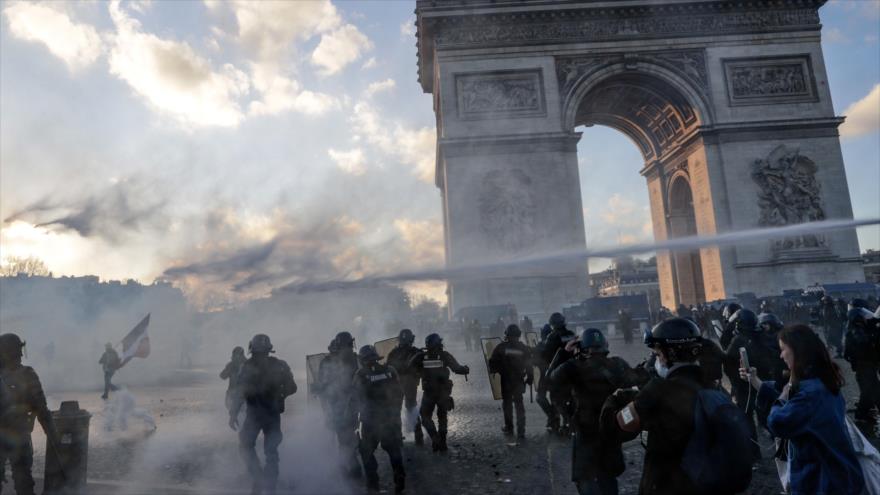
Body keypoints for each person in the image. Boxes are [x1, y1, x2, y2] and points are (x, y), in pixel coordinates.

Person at [609, 318, 750, 495]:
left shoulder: (658, 389)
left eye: (659, 355)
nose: (657, 360)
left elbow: (624, 423)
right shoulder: (714, 389)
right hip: (705, 484)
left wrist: (620, 400)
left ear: (670, 355)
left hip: (668, 485)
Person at [741, 325, 865, 495]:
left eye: (783, 349)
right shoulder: (821, 381)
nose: (781, 355)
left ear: (798, 351)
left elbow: (778, 422)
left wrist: (784, 393)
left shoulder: (809, 394)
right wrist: (756, 382)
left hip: (823, 482)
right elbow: (796, 407)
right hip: (839, 475)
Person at [550, 328, 634, 495]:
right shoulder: (617, 364)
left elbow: (550, 379)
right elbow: (635, 382)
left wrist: (564, 353)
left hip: (585, 429)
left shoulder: (572, 366)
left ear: (581, 347)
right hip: (611, 428)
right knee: (608, 476)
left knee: (585, 477)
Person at [228, 334, 296, 495]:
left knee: (247, 446)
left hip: (256, 415)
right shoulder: (279, 365)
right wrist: (281, 395)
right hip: (270, 415)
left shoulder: (248, 366)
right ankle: (268, 485)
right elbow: (292, 387)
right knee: (271, 452)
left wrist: (233, 414)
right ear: (269, 349)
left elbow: (239, 392)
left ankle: (259, 478)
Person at [0, 333, 59, 495]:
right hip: (19, 434)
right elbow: (41, 408)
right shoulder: (27, 374)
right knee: (23, 481)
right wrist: (53, 435)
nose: (20, 354)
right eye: (18, 350)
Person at [723, 308, 778, 461]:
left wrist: (735, 381)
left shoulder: (739, 339)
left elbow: (728, 361)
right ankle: (783, 446)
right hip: (764, 383)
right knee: (768, 417)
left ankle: (754, 454)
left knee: (747, 420)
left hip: (745, 386)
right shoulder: (762, 335)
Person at [352, 345, 406, 493]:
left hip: (370, 422)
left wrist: (353, 418)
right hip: (389, 418)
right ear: (376, 358)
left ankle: (373, 483)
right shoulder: (390, 371)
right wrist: (395, 412)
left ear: (362, 360)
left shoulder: (360, 375)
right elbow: (400, 393)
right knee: (394, 450)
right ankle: (399, 476)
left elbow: (355, 399)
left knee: (367, 452)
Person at [408, 333, 469, 452]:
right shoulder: (444, 355)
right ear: (438, 343)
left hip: (429, 393)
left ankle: (435, 438)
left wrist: (418, 361)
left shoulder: (421, 356)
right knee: (442, 417)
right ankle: (443, 442)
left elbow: (409, 368)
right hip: (443, 392)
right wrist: (466, 369)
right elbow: (457, 369)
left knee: (425, 417)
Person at [314, 331, 361, 477]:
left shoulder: (333, 361)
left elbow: (320, 385)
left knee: (343, 435)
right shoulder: (355, 359)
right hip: (342, 403)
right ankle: (349, 465)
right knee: (344, 434)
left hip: (344, 403)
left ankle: (349, 466)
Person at [488, 324, 532, 439]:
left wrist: (495, 371)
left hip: (506, 380)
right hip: (519, 379)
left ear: (507, 335)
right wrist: (530, 377)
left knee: (507, 404)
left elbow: (492, 362)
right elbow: (529, 364)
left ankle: (509, 427)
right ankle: (521, 430)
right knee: (519, 404)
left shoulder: (501, 347)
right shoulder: (523, 348)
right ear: (518, 335)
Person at [385, 329, 423, 445]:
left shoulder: (393, 353)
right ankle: (418, 434)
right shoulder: (416, 352)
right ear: (411, 339)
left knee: (397, 409)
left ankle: (398, 437)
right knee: (411, 407)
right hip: (410, 384)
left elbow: (387, 368)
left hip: (397, 384)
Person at [843, 307, 880, 423]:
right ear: (857, 318)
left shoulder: (857, 328)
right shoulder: (855, 330)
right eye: (863, 315)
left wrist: (875, 322)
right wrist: (875, 334)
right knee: (870, 391)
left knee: (870, 390)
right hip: (864, 365)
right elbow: (864, 343)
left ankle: (863, 413)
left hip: (866, 365)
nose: (865, 317)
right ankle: (861, 414)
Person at [543, 312, 576, 435]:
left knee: (556, 399)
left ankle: (563, 422)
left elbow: (546, 355)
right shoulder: (571, 335)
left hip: (558, 372)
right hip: (573, 371)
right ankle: (568, 423)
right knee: (571, 397)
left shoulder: (552, 336)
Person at [534, 324, 557, 431]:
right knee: (543, 398)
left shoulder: (543, 345)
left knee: (549, 398)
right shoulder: (554, 344)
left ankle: (553, 419)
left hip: (553, 375)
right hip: (547, 375)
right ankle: (552, 417)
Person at [221, 346, 247, 414]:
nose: (237, 357)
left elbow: (222, 376)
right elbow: (222, 376)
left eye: (238, 355)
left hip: (243, 395)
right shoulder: (232, 365)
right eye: (236, 355)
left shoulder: (247, 364)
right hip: (233, 394)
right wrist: (228, 368)